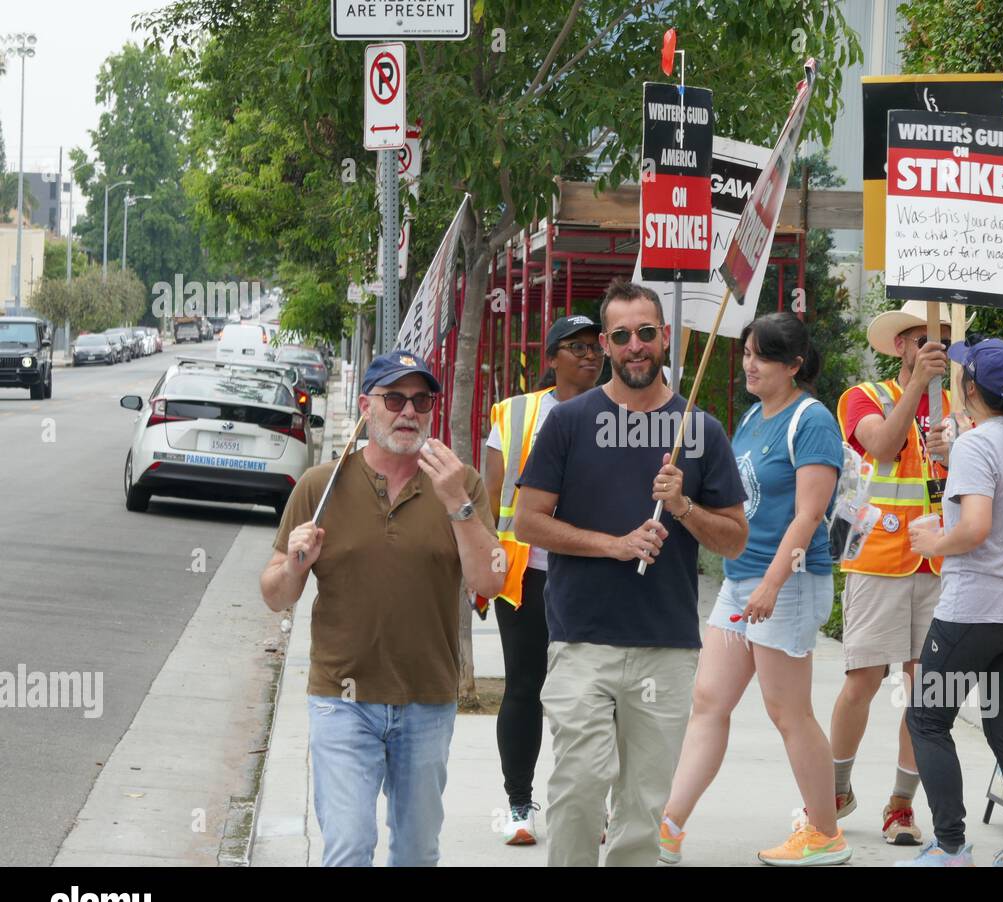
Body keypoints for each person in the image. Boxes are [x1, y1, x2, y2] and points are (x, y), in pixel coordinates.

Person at [513, 279, 748, 867]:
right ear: (607, 345)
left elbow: (736, 539)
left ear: (665, 338)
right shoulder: (568, 421)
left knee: (645, 805)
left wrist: (684, 507)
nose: (635, 345)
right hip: (581, 639)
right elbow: (528, 522)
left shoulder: (700, 429)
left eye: (646, 332)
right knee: (580, 785)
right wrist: (613, 545)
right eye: (621, 336)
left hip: (665, 646)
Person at [259, 350, 504, 866]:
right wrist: (297, 565)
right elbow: (276, 594)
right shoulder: (319, 487)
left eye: (421, 400)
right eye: (394, 398)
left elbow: (488, 582)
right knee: (348, 846)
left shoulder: (462, 485)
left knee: (416, 852)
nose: (408, 411)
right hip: (342, 698)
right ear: (368, 406)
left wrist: (457, 503)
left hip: (427, 699)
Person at [659, 312, 849, 866]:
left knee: (789, 712)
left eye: (762, 356)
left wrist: (772, 582)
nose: (749, 364)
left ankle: (824, 834)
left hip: (786, 583)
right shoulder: (751, 417)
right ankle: (668, 827)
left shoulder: (811, 420)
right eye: (745, 353)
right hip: (742, 580)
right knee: (709, 701)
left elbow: (809, 515)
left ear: (793, 365)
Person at [897, 338, 1003, 867]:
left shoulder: (977, 444)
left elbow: (978, 527)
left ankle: (951, 846)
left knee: (926, 719)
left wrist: (935, 541)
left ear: (968, 389)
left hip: (972, 609)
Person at [829, 299, 952, 845]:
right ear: (900, 345)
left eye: (943, 340)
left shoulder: (960, 406)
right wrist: (915, 392)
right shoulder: (864, 397)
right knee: (863, 680)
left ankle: (901, 805)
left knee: (921, 690)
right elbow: (880, 446)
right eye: (924, 338)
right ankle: (832, 787)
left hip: (941, 562)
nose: (934, 348)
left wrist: (961, 441)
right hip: (878, 558)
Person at [483, 315, 605, 845]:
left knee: (590, 697)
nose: (589, 355)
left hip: (596, 575)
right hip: (526, 577)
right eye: (575, 347)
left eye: (595, 346)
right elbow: (489, 498)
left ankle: (586, 807)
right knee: (524, 688)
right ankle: (518, 806)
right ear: (550, 358)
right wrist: (481, 567)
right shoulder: (514, 414)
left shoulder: (621, 414)